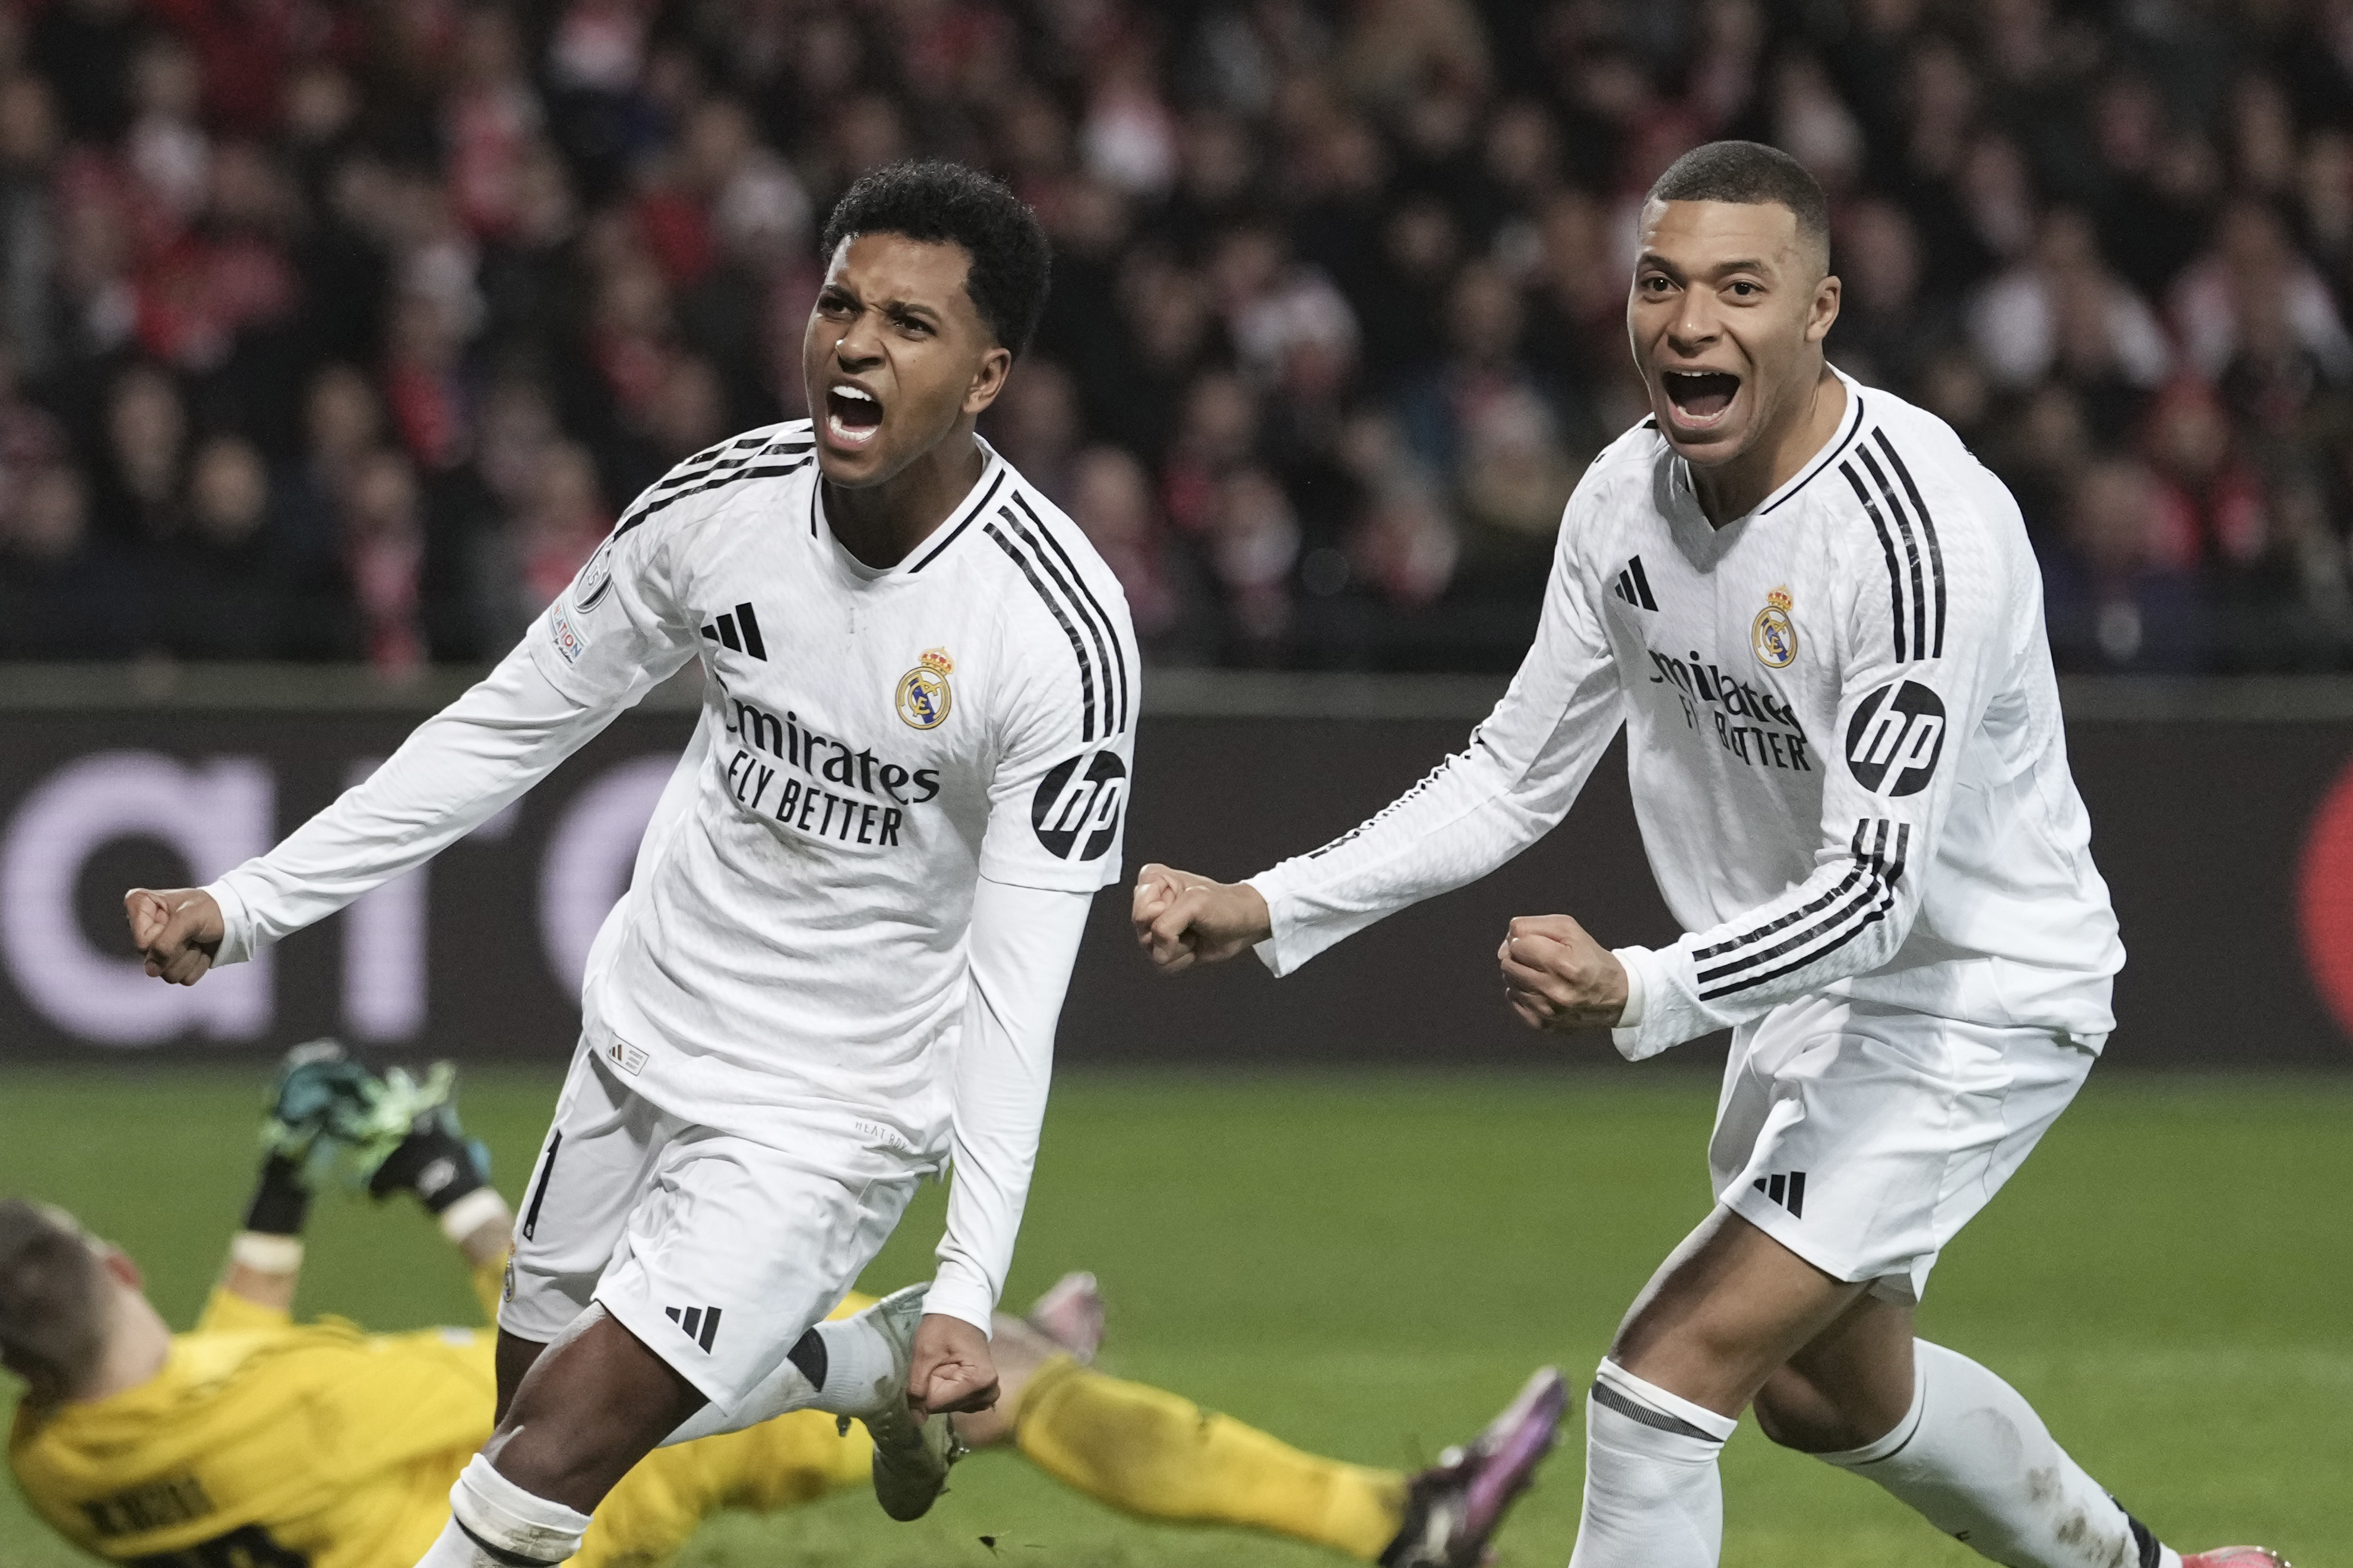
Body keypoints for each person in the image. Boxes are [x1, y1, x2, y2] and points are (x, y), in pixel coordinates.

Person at [1131, 140, 2286, 1568]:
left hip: (1972, 990)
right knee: (1827, 1391)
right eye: (1661, 283)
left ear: (1819, 312)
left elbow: (1872, 890)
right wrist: (1265, 902)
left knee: (1662, 1371)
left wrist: (1642, 988)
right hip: (1802, 992)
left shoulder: (1915, 540)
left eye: (1741, 287)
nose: (1691, 323)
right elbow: (1507, 772)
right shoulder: (1625, 499)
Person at [119, 159, 1159, 1568]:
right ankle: (872, 1363)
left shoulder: (1050, 635)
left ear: (985, 379)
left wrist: (973, 1275)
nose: (855, 342)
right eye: (840, 305)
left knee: (550, 1455)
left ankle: (919, 1329)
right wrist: (245, 906)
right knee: (528, 1427)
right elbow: (502, 730)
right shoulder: (716, 510)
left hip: (830, 1109)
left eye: (910, 326)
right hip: (641, 1033)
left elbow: (1016, 991)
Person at [2, 1048, 1569, 1568]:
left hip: (495, 1497)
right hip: (610, 1478)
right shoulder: (300, 1403)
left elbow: (216, 1356)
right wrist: (445, 1182)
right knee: (979, 1376)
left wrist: (286, 1186)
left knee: (979, 1368)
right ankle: (1394, 1518)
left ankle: (970, 1359)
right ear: (117, 1264)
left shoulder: (59, 1466)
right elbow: (555, 1387)